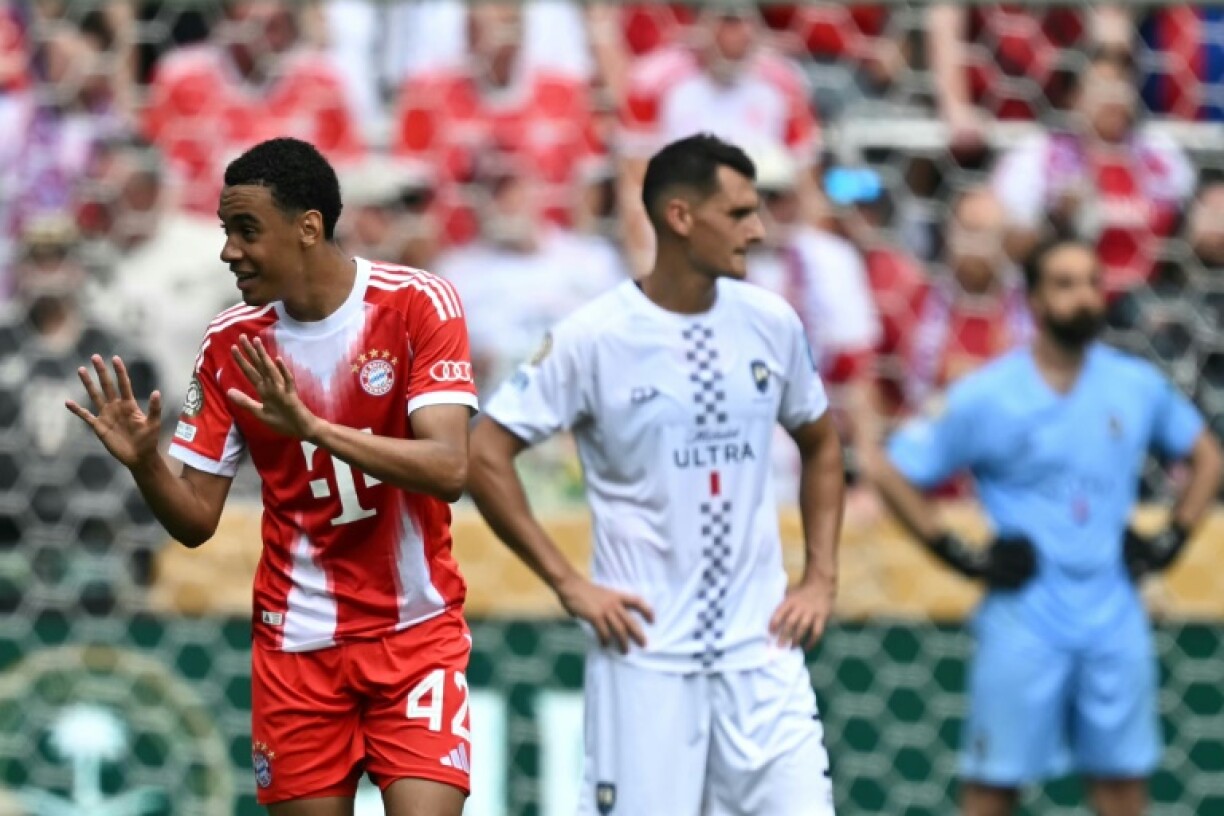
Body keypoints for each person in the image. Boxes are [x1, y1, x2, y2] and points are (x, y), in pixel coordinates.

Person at [65, 137, 478, 816]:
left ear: (308, 227)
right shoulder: (230, 343)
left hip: (414, 635)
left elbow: (450, 468)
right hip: (297, 651)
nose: (228, 250)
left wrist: (314, 429)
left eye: (246, 230)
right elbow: (196, 519)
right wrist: (144, 462)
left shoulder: (417, 306)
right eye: (227, 231)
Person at [468, 133, 844, 815]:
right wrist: (570, 583)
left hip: (763, 658)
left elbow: (821, 443)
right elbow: (484, 452)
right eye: (738, 214)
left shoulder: (771, 324)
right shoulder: (594, 338)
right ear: (679, 217)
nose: (757, 231)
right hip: (644, 660)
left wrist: (820, 579)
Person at [870, 236, 1223, 816]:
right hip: (1024, 620)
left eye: (1091, 281)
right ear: (1032, 300)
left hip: (1114, 617)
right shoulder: (988, 394)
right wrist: (961, 554)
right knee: (992, 788)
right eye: (1064, 283)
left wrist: (1171, 539)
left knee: (1122, 790)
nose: (1084, 296)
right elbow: (891, 471)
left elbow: (1208, 458)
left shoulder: (1133, 386)